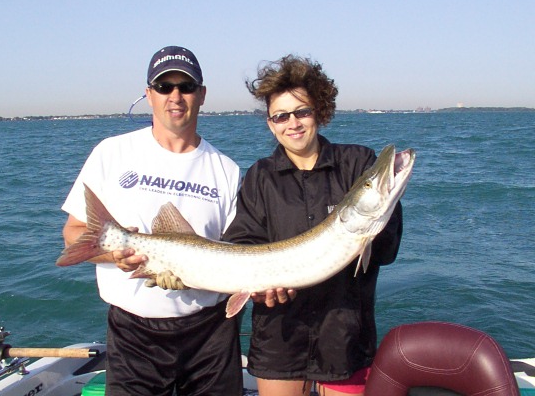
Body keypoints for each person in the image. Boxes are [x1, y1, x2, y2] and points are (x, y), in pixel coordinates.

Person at [61, 46, 243, 396]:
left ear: (202, 94)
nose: (175, 96)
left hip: (210, 335)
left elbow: (236, 252)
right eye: (164, 87)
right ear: (149, 94)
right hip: (134, 337)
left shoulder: (227, 170)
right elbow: (73, 233)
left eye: (186, 86)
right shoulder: (112, 153)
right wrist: (115, 255)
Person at [222, 55, 403, 396]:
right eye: (281, 116)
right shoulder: (260, 176)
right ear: (271, 124)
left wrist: (384, 210)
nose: (293, 123)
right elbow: (244, 242)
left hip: (344, 339)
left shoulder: (357, 163)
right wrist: (259, 288)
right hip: (279, 338)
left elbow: (386, 252)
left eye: (302, 112)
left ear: (318, 111)